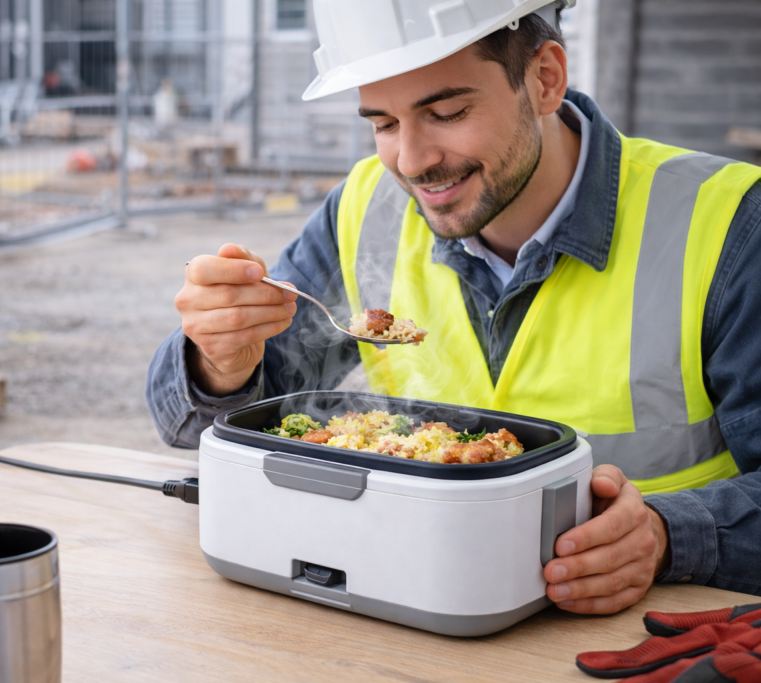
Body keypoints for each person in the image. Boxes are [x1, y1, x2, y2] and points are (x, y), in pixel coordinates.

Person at [146, 0, 761, 613]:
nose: (412, 162)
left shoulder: (728, 224)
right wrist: (221, 362)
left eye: (446, 113)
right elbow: (200, 429)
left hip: (639, 629)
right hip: (413, 606)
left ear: (545, 78)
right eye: (384, 124)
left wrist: (665, 534)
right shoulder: (363, 207)